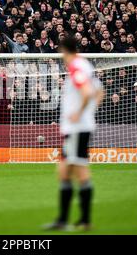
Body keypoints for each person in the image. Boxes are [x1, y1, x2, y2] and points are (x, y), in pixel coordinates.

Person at [44, 37, 103, 231]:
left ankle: (76, 220)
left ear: (65, 51)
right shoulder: (84, 64)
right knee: (65, 170)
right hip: (79, 128)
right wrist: (88, 112)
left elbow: (87, 92)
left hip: (77, 129)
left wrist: (80, 113)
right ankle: (76, 220)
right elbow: (99, 91)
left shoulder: (76, 66)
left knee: (76, 171)